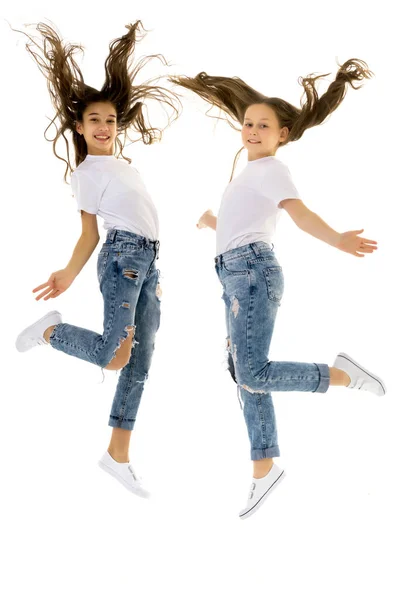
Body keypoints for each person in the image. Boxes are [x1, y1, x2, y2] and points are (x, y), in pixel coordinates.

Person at [170, 60, 386, 519]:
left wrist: (339, 239)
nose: (252, 129)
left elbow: (299, 214)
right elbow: (244, 222)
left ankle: (341, 375)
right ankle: (264, 466)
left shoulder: (272, 169)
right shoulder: (247, 175)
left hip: (252, 273)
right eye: (248, 123)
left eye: (263, 125)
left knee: (252, 372)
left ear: (282, 134)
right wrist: (214, 221)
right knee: (243, 373)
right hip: (233, 273)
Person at [14, 21, 180, 498]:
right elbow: (89, 232)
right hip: (122, 259)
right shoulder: (87, 173)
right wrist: (68, 273)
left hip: (147, 264)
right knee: (113, 355)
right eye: (94, 121)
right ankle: (50, 332)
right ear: (80, 127)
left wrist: (153, 273)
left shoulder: (122, 165)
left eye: (109, 120)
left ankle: (117, 455)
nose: (104, 127)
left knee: (138, 361)